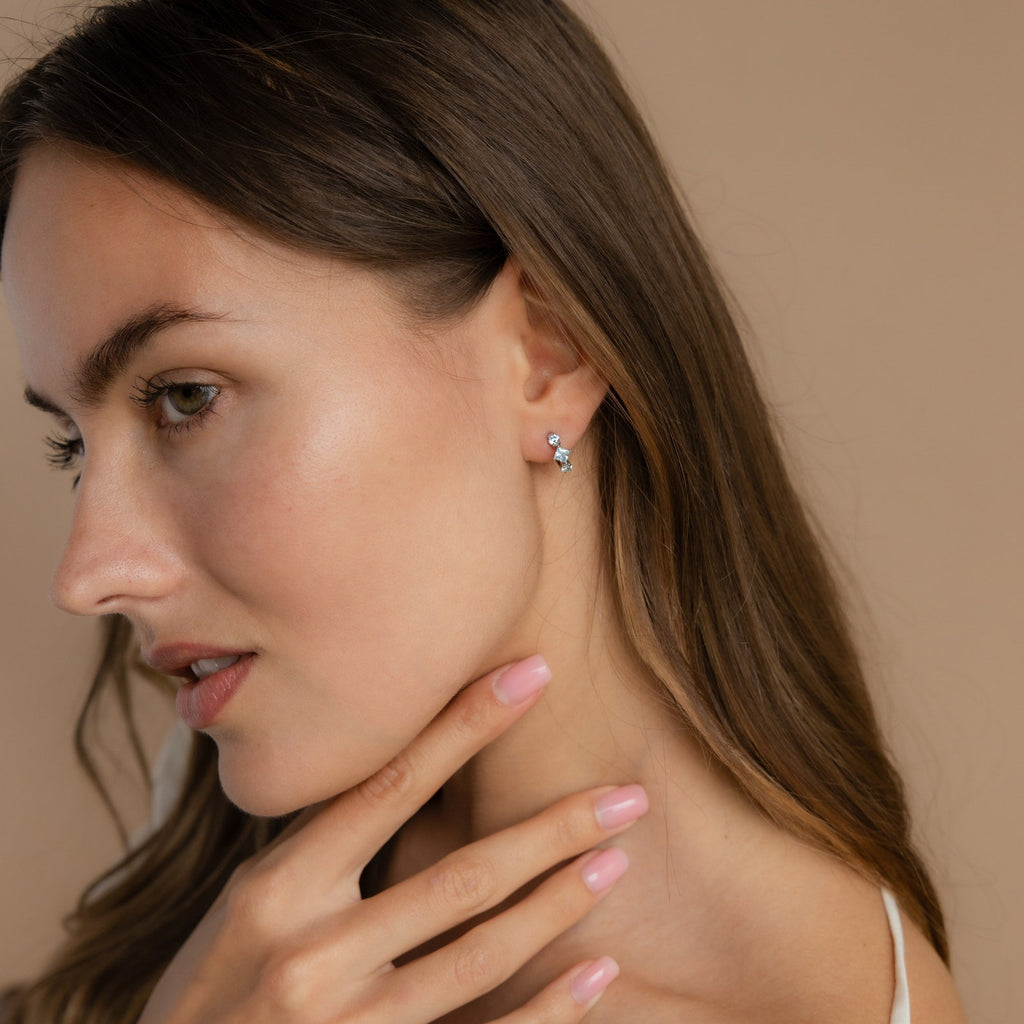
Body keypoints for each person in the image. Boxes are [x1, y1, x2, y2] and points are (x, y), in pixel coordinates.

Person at [0, 1, 969, 1021]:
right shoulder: (236, 865)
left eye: (184, 396)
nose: (88, 573)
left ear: (544, 352)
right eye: (73, 442)